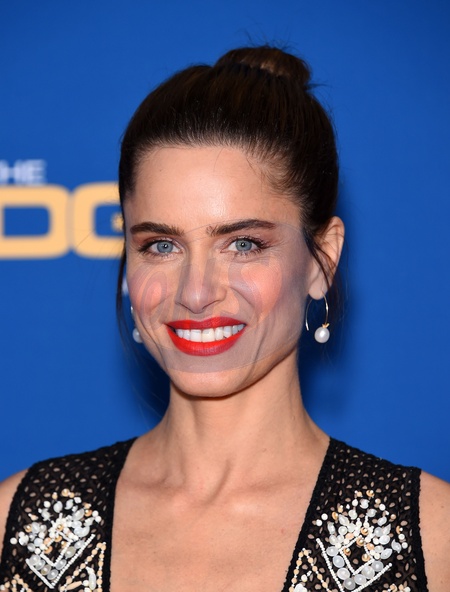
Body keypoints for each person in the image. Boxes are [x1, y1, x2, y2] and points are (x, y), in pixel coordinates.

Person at [0, 46, 448, 592]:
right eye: (161, 245)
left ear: (322, 261)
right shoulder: (17, 524)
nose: (195, 293)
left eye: (243, 244)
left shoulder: (433, 538)